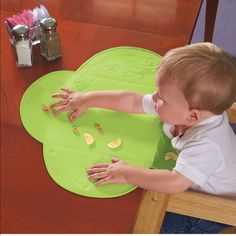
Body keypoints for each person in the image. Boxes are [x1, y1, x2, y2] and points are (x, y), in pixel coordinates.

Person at [50, 43, 236, 233]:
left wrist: (127, 173)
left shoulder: (208, 145)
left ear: (192, 117)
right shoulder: (189, 110)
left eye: (162, 98)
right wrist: (87, 99)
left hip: (213, 207)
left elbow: (175, 182)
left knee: (139, 222)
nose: (154, 97)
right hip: (195, 176)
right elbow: (133, 101)